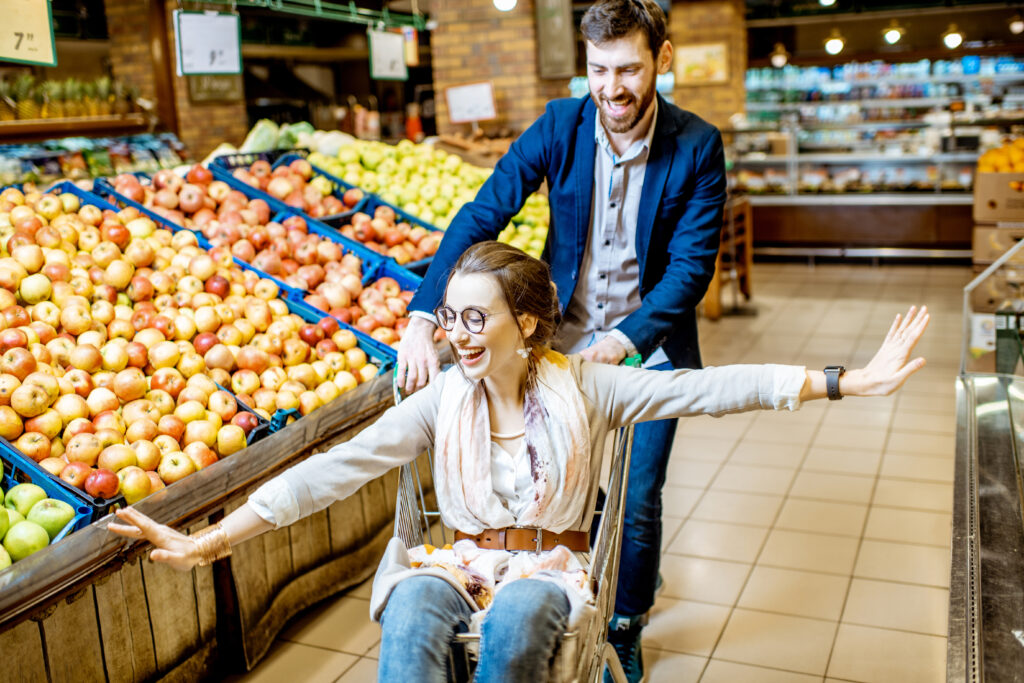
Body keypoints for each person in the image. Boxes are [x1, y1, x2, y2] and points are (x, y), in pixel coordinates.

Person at [110, 242, 929, 683]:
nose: (458, 333)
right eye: (451, 317)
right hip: (454, 557)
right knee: (411, 612)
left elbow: (713, 388)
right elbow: (337, 466)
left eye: (476, 317)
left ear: (529, 325)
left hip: (552, 565)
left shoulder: (595, 386)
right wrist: (213, 540)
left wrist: (842, 381)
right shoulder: (442, 401)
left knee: (514, 622)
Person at [396, 1, 725, 675]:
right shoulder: (561, 125)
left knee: (636, 496)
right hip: (562, 341)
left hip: (651, 348)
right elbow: (484, 211)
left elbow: (690, 269)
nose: (613, 88)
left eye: (629, 68)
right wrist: (424, 313)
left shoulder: (696, 145)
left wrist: (627, 338)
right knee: (565, 486)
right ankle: (580, 590)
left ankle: (627, 619)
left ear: (660, 60)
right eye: (598, 69)